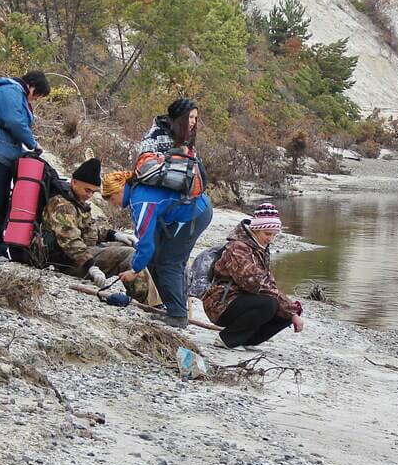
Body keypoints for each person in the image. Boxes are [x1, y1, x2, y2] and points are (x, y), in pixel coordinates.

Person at [108, 99, 212, 328]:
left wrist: (134, 270)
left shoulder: (139, 201)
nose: (193, 123)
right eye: (190, 118)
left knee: (169, 262)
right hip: (183, 209)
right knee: (164, 259)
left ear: (119, 190)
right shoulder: (157, 137)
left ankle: (177, 315)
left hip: (194, 211)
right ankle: (173, 308)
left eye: (196, 118)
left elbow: (144, 244)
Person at [40, 158, 155, 304]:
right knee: (129, 254)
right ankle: (149, 303)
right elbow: (70, 242)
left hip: (81, 255)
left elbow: (89, 231)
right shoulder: (62, 205)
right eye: (87, 190)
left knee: (133, 248)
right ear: (74, 182)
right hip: (65, 261)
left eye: (93, 192)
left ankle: (146, 298)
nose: (89, 195)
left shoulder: (77, 203)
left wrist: (114, 235)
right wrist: (91, 267)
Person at [200, 204, 304, 349]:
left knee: (290, 309)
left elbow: (267, 282)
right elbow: (254, 283)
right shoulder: (237, 248)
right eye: (268, 234)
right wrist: (288, 309)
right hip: (221, 303)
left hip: (242, 299)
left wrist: (291, 310)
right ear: (255, 229)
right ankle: (227, 339)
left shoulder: (260, 246)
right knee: (270, 304)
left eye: (274, 235)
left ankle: (248, 340)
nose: (271, 239)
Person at [0, 70, 50, 259]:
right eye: (38, 95)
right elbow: (14, 121)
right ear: (32, 87)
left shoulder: (15, 93)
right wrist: (32, 143)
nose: (36, 99)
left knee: (1, 201)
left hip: (3, 152)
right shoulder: (10, 91)